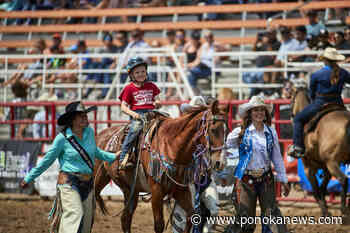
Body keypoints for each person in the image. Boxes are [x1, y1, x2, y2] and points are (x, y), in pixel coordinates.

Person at [20, 101, 117, 233]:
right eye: (81, 115)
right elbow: (47, 160)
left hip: (88, 183)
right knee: (75, 214)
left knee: (86, 224)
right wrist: (29, 177)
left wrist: (114, 156)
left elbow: (96, 151)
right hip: (69, 182)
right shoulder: (62, 139)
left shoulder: (89, 132)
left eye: (85, 114)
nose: (85, 117)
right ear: (72, 119)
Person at [225, 95, 290, 233]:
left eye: (262, 110)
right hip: (246, 180)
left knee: (271, 217)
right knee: (246, 219)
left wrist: (283, 179)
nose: (259, 113)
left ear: (266, 114)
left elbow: (277, 158)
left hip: (266, 178)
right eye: (256, 110)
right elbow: (226, 149)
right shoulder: (239, 132)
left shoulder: (271, 133)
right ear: (250, 113)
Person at [288, 47, 350, 158]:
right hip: (338, 103)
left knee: (298, 119)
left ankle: (298, 147)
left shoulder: (317, 75)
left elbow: (312, 93)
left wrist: (313, 101)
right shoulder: (344, 73)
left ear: (325, 60)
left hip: (320, 103)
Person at [174, 96, 219, 233]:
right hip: (186, 181)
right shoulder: (180, 135)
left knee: (214, 210)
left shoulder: (206, 133)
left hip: (204, 178)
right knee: (184, 214)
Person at [117, 57, 161, 170]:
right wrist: (133, 114)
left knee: (168, 122)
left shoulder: (152, 86)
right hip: (138, 114)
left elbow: (157, 99)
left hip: (152, 113)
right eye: (137, 72)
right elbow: (123, 107)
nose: (141, 74)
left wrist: (157, 103)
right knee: (134, 130)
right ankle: (123, 157)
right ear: (131, 75)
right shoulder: (129, 88)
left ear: (146, 72)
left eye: (143, 71)